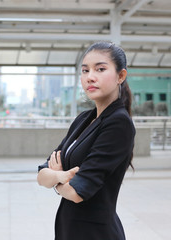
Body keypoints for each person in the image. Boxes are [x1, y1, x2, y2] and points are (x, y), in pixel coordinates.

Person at [37, 41, 135, 240]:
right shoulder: (84, 119)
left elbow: (76, 193)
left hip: (95, 232)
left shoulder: (119, 124)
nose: (90, 77)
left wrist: (56, 176)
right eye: (85, 70)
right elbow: (41, 176)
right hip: (69, 228)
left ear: (120, 76)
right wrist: (61, 177)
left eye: (100, 69)